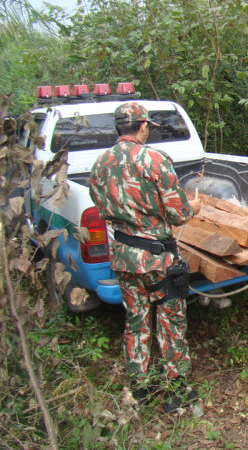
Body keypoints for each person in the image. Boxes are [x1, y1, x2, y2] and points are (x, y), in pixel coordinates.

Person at [89, 102, 202, 411]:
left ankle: (140, 388)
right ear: (142, 126)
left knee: (135, 321)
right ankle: (176, 391)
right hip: (158, 261)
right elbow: (179, 214)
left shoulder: (100, 163)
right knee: (171, 322)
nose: (148, 129)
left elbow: (101, 207)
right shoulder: (154, 160)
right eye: (148, 125)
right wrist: (194, 207)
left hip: (125, 258)